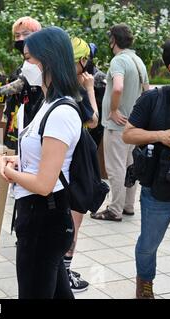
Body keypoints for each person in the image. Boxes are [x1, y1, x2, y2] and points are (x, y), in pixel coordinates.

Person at [0, 27, 82, 299]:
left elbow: (44, 184)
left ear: (48, 59)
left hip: (44, 217)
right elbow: (43, 157)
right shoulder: (45, 104)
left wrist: (8, 172)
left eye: (29, 59)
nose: (25, 66)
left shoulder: (60, 111)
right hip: (37, 214)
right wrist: (18, 160)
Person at [122, 38, 170, 299]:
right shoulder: (154, 98)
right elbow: (128, 135)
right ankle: (145, 284)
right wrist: (161, 136)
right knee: (148, 245)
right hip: (159, 189)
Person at [92, 24, 150, 222]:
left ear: (113, 41)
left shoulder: (119, 61)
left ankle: (114, 210)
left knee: (115, 168)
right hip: (134, 125)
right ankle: (127, 206)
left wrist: (114, 110)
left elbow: (117, 87)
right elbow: (147, 91)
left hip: (117, 126)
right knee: (131, 166)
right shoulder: (138, 61)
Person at [62, 37, 100, 294]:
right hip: (74, 165)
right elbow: (94, 120)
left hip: (59, 163)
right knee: (73, 222)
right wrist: (90, 89)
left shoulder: (52, 85)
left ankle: (60, 271)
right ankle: (64, 273)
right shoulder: (75, 91)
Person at [0, 17, 43, 149]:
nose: (20, 39)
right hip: (16, 119)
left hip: (33, 121)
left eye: (25, 34)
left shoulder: (41, 59)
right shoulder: (24, 61)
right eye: (17, 35)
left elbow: (22, 83)